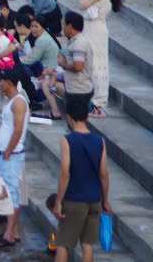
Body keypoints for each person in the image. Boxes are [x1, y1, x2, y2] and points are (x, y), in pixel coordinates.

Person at [53, 100, 113, 262]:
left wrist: (58, 201)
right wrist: (105, 200)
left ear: (69, 117)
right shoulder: (99, 141)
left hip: (74, 199)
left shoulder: (67, 140)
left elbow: (65, 172)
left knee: (63, 243)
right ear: (87, 116)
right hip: (94, 200)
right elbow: (104, 173)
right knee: (87, 244)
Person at [0, 74, 28, 248]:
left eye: (1, 81)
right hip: (5, 153)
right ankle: (11, 231)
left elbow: (18, 130)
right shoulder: (11, 101)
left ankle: (9, 234)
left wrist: (7, 151)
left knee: (12, 194)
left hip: (12, 155)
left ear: (9, 83)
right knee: (9, 192)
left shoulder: (19, 102)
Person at [78, 0, 119, 116]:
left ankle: (96, 103)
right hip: (99, 28)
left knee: (93, 63)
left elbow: (82, 5)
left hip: (93, 29)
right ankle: (98, 101)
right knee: (99, 63)